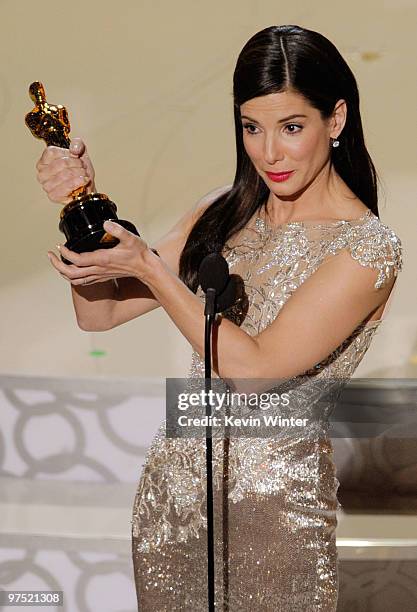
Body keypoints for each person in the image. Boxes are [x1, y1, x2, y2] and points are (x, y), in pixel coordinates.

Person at [36, 24, 402, 612]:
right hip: (172, 504)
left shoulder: (366, 248)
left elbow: (255, 371)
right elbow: (99, 312)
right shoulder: (223, 212)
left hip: (275, 519)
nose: (269, 153)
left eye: (291, 127)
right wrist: (82, 206)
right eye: (251, 128)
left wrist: (155, 270)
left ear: (335, 120)